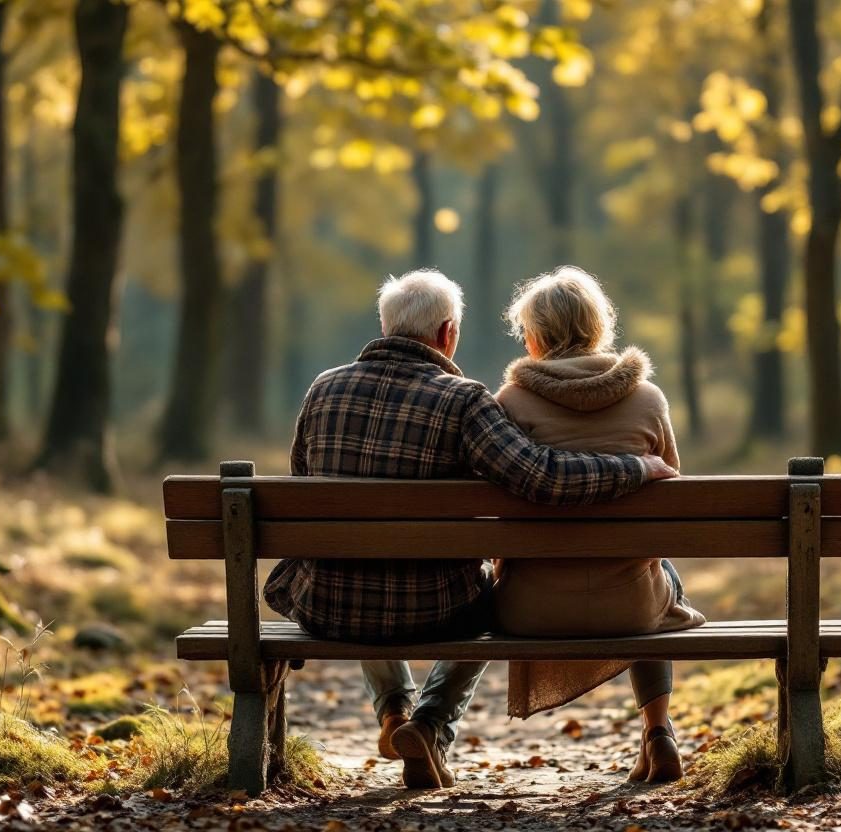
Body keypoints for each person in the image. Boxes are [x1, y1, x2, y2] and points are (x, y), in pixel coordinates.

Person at [264, 269, 679, 790]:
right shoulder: (464, 400)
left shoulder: (322, 390)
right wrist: (635, 468)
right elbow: (540, 477)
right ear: (447, 334)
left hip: (328, 606)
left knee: (359, 562)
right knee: (501, 593)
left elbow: (303, 484)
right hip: (437, 610)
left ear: (385, 325)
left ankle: (395, 708)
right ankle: (431, 723)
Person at [493, 266, 705, 784]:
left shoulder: (509, 404)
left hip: (530, 608)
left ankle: (431, 724)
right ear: (597, 327)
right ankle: (658, 731)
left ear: (536, 337)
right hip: (629, 607)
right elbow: (670, 505)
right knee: (659, 572)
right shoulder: (649, 399)